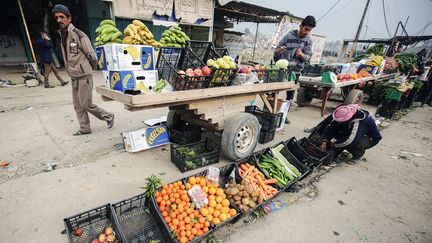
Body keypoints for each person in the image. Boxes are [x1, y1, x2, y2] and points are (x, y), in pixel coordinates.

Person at [52, 4, 114, 136]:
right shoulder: (63, 35)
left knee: (86, 104)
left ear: (69, 18)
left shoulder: (79, 35)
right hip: (73, 75)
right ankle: (85, 128)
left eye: (61, 17)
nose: (59, 20)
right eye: (56, 17)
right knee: (78, 106)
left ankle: (107, 116)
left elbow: (91, 55)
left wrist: (88, 68)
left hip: (84, 76)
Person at [274, 15, 316, 124]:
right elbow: (277, 50)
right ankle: (272, 112)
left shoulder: (308, 41)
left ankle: (284, 115)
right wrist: (280, 51)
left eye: (309, 30)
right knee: (275, 91)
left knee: (290, 95)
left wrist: (302, 55)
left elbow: (308, 57)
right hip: (283, 70)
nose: (307, 32)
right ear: (301, 26)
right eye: (306, 29)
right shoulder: (288, 36)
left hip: (296, 71)